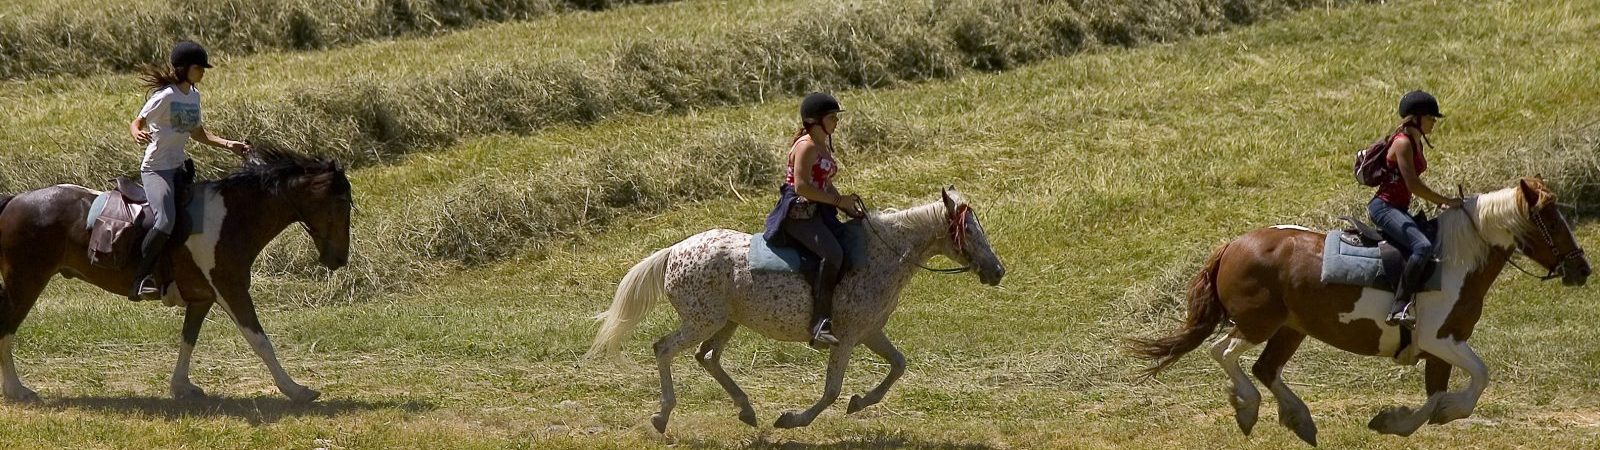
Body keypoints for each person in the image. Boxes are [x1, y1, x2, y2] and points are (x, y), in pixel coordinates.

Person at [126, 40, 251, 300]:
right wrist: (138, 132)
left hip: (179, 169)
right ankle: (140, 278)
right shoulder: (165, 96)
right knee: (165, 221)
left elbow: (198, 133)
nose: (203, 72)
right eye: (199, 68)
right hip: (156, 170)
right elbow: (136, 121)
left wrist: (230, 145)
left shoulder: (194, 96)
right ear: (184, 68)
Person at [761, 92, 866, 346]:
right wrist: (838, 202)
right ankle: (819, 325)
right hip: (799, 214)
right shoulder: (806, 146)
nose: (836, 122)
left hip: (819, 210)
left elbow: (824, 183)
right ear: (815, 121)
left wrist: (845, 207)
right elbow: (802, 187)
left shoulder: (823, 145)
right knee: (833, 254)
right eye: (832, 118)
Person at [1369, 90, 1459, 327]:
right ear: (1417, 118)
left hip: (1398, 207)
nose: (1434, 122)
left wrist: (1440, 201)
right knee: (1422, 246)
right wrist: (1446, 200)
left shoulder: (1416, 141)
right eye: (1431, 117)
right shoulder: (1402, 143)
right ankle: (1399, 307)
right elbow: (1413, 184)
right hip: (1384, 207)